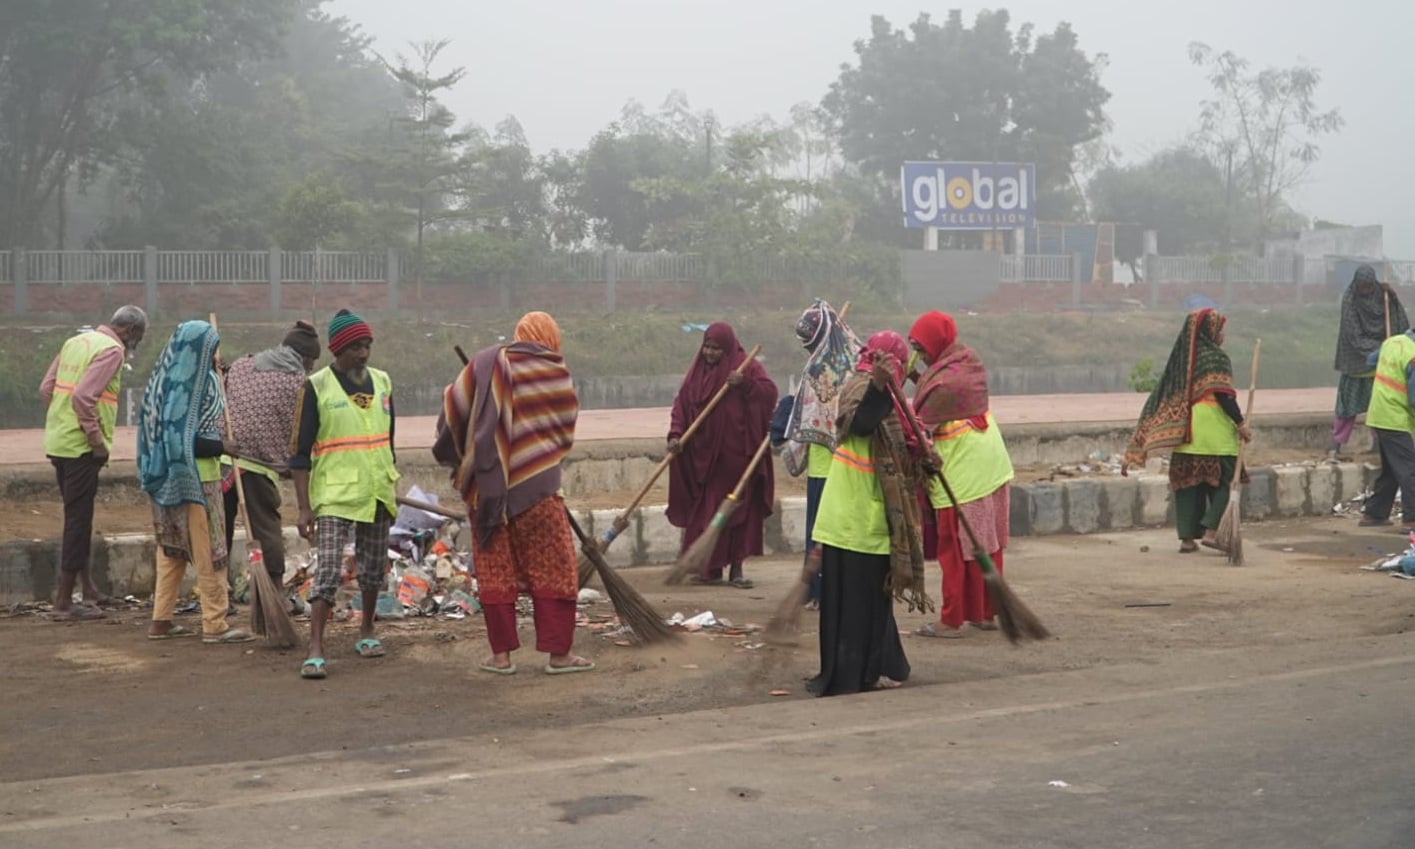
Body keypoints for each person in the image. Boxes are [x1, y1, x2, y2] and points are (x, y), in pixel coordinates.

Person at [433, 311, 593, 676]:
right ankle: (559, 655)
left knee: (495, 568)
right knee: (554, 567)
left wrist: (464, 457)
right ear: (552, 338)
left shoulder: (484, 364)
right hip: (540, 493)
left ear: (519, 334)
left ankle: (501, 657)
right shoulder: (557, 375)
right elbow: (563, 430)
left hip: (488, 492)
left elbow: (450, 413)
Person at [808, 331, 935, 696]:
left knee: (870, 599)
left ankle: (887, 663)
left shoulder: (895, 398)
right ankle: (857, 672)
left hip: (866, 512)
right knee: (855, 602)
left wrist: (925, 456)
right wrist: (879, 386)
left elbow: (907, 442)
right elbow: (857, 423)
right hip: (855, 513)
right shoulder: (860, 385)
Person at [291, 310, 398, 679]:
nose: (363, 354)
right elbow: (300, 454)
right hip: (335, 494)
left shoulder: (383, 382)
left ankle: (367, 630)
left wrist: (391, 483)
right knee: (328, 572)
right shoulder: (316, 386)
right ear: (338, 350)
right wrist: (304, 507)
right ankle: (316, 647)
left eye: (367, 345)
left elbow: (389, 440)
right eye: (355, 347)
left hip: (377, 491)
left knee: (373, 569)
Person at [137, 320, 253, 643]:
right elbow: (182, 440)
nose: (217, 352)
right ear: (199, 349)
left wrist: (219, 375)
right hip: (196, 479)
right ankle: (215, 623)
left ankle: (160, 620)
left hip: (168, 482)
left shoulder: (169, 379)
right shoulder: (190, 386)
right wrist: (222, 447)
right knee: (211, 552)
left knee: (172, 552)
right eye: (212, 346)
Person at [908, 311, 1014, 638]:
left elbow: (919, 424)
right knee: (987, 544)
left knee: (953, 549)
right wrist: (917, 377)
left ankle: (951, 620)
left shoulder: (944, 384)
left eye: (921, 347)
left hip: (965, 470)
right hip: (992, 463)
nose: (920, 354)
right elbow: (938, 392)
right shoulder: (965, 362)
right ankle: (985, 613)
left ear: (935, 344)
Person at [39, 305, 147, 620]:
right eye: (136, 337)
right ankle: (63, 602)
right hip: (81, 448)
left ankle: (88, 589)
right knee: (77, 521)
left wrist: (64, 421)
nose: (133, 344)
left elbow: (48, 389)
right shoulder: (113, 351)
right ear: (129, 331)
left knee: (79, 516)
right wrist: (96, 439)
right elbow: (84, 397)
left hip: (59, 441)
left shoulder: (77, 341)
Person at [1124, 309, 1252, 554]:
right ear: (1210, 331)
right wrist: (1241, 424)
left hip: (1186, 431)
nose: (1223, 335)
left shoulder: (1182, 362)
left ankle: (1187, 539)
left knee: (1188, 484)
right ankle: (1212, 531)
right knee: (1226, 481)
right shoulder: (1216, 358)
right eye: (1220, 329)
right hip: (1214, 430)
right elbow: (1225, 397)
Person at [666, 322, 777, 588]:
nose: (710, 353)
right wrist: (675, 434)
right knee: (705, 512)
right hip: (703, 459)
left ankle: (736, 569)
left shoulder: (745, 366)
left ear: (726, 348)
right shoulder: (697, 373)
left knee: (736, 513)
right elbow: (682, 405)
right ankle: (708, 569)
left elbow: (769, 393)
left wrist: (746, 385)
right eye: (706, 347)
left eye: (716, 349)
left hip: (736, 458)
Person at [220, 321, 321, 592]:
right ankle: (274, 592)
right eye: (311, 362)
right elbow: (299, 433)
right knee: (266, 530)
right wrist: (290, 465)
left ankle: (218, 596)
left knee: (221, 531)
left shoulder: (242, 364)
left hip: (220, 459)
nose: (311, 367)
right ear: (305, 358)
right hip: (256, 466)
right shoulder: (300, 383)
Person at [778, 300, 862, 610]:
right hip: (843, 466)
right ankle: (825, 591)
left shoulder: (818, 369)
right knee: (833, 532)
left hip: (830, 468)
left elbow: (809, 416)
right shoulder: (855, 359)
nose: (806, 348)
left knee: (824, 532)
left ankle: (821, 591)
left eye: (808, 342)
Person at [1332, 264, 1410, 461]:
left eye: (1369, 286)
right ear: (1357, 285)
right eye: (1362, 287)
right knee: (1346, 407)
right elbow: (1353, 336)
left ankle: (1380, 445)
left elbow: (1399, 325)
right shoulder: (1350, 300)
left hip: (1378, 366)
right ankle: (1337, 445)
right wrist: (1383, 347)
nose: (1366, 291)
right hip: (1355, 362)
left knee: (1378, 407)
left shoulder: (1381, 296)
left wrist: (1392, 298)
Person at [1356, 323, 1415, 532]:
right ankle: (1412, 519)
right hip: (1394, 418)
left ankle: (1374, 513)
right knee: (1410, 468)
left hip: (1379, 414)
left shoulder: (1393, 342)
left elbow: (1371, 360)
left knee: (1392, 468)